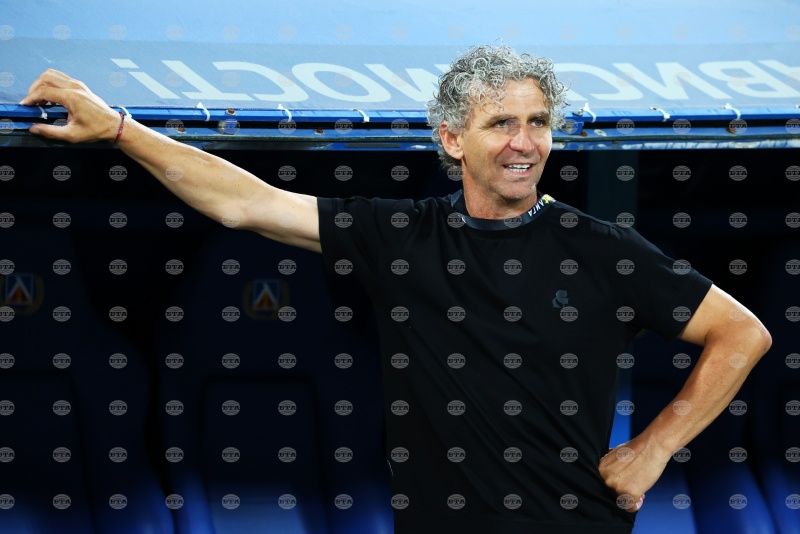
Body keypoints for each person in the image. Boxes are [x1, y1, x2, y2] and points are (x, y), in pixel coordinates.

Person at [22, 45, 771, 534]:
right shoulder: (402, 236)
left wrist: (653, 449)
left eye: (538, 122)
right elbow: (244, 203)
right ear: (452, 139)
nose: (525, 142)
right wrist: (119, 130)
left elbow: (743, 332)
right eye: (501, 123)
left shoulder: (603, 249)